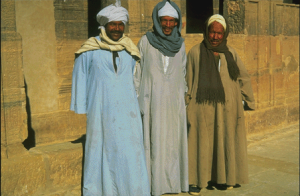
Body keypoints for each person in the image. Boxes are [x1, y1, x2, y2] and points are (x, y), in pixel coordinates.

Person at [70, 2, 150, 195]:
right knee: (100, 152)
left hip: (128, 114)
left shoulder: (129, 50)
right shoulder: (90, 49)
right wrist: (82, 107)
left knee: (131, 154)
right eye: (112, 24)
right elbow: (79, 77)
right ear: (104, 25)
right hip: (100, 113)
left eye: (120, 24)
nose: (116, 28)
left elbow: (137, 79)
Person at [185, 14, 255, 195]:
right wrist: (186, 105)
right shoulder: (194, 52)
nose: (215, 37)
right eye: (212, 32)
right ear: (206, 31)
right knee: (200, 142)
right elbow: (188, 81)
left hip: (228, 108)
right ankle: (196, 181)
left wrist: (249, 101)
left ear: (225, 34)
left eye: (219, 33)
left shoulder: (231, 53)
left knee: (224, 141)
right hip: (202, 107)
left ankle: (224, 178)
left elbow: (243, 77)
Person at [135, 0, 188, 195]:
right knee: (153, 144)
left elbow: (182, 75)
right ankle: (153, 186)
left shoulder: (181, 46)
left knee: (172, 145)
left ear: (177, 22)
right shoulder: (145, 42)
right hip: (151, 104)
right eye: (163, 21)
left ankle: (173, 184)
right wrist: (137, 99)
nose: (167, 25)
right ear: (157, 21)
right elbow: (137, 73)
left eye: (171, 21)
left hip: (173, 106)